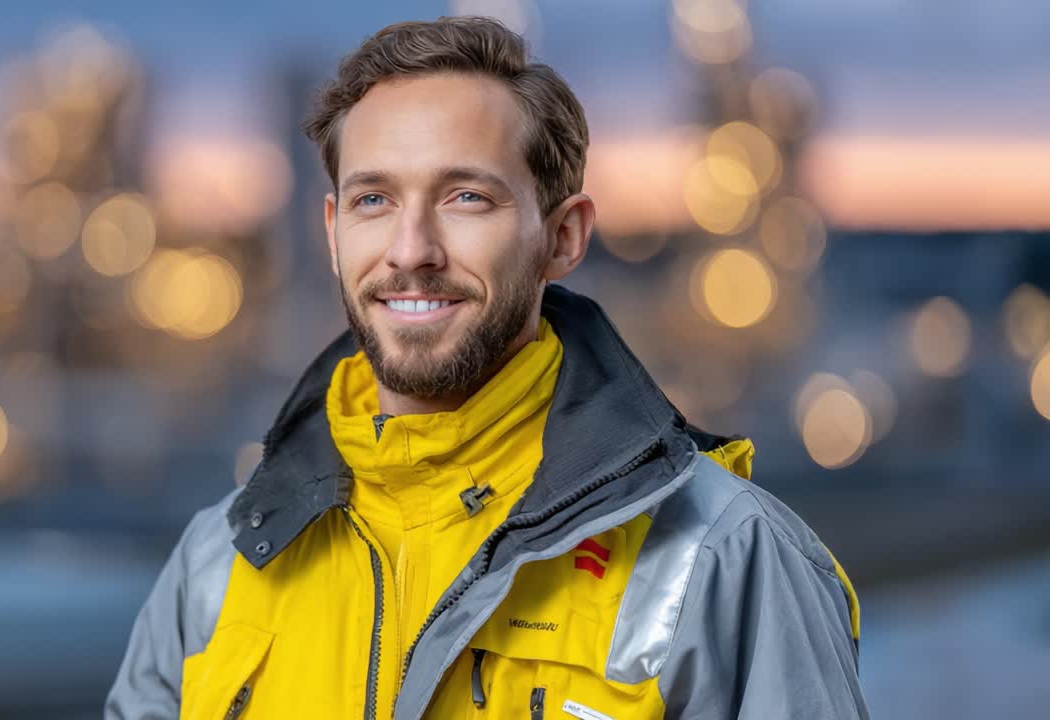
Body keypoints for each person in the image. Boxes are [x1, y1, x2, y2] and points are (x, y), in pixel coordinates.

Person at [107, 16, 867, 720]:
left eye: (466, 197)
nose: (411, 250)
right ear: (334, 233)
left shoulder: (727, 558)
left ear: (563, 237)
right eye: (374, 199)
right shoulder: (218, 563)